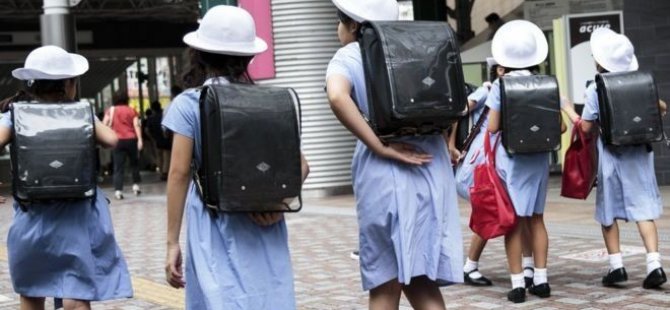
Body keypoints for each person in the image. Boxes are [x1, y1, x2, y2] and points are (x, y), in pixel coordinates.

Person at [163, 6, 310, 309]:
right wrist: (277, 203)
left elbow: (178, 174)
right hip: (262, 219)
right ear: (248, 57)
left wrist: (171, 243)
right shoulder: (266, 101)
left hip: (212, 219)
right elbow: (302, 166)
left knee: (219, 294)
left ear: (200, 54)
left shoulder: (190, 103)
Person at [326, 0, 463, 309]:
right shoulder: (417, 50)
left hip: (384, 174)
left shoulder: (351, 54)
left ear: (351, 25)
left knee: (385, 283)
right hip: (431, 171)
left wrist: (379, 145)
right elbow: (452, 102)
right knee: (421, 280)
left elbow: (337, 95)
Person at [0, 45, 132, 310]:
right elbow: (112, 139)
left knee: (32, 292)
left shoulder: (14, 114)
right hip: (78, 217)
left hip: (33, 218)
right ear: (69, 83)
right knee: (77, 294)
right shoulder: (80, 113)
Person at [561, 28, 667, 289]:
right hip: (640, 155)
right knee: (644, 210)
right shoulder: (640, 81)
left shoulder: (597, 88)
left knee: (608, 212)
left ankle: (616, 267)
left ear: (601, 61)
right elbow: (661, 107)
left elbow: (585, 128)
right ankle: (654, 264)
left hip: (611, 156)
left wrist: (566, 109)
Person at [485, 20, 553, 303]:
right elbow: (559, 128)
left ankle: (516, 284)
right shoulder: (547, 83)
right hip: (539, 160)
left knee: (512, 222)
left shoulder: (501, 85)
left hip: (512, 161)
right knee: (537, 219)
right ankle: (541, 279)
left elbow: (491, 127)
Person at [103, 91, 143, 199]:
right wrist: (140, 139)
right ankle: (135, 186)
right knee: (134, 164)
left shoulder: (111, 110)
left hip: (118, 141)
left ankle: (118, 191)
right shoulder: (132, 110)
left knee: (118, 167)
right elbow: (136, 125)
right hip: (131, 140)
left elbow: (104, 124)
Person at [145, 101, 171, 180]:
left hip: (157, 140)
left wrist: (152, 138)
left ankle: (161, 172)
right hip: (166, 139)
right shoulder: (165, 115)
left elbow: (147, 130)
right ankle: (165, 172)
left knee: (159, 157)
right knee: (166, 156)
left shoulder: (151, 118)